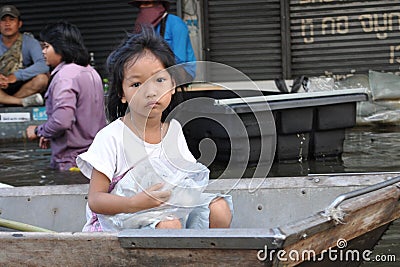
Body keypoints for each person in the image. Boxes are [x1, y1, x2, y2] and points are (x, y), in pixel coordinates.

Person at [76, 27, 232, 231]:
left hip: (164, 210)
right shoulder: (111, 137)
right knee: (169, 225)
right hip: (121, 218)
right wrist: (134, 203)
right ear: (122, 94)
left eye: (159, 80)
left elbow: (186, 181)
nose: (150, 92)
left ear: (173, 84)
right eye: (137, 84)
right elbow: (96, 200)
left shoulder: (173, 131)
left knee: (219, 208)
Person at [25, 21, 106, 171]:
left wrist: (38, 131)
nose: (43, 52)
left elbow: (62, 121)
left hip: (71, 160)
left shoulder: (65, 76)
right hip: (96, 157)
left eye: (47, 46)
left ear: (61, 48)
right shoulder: (91, 72)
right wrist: (50, 133)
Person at [129, 0, 196, 79]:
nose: (142, 7)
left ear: (159, 5)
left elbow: (180, 59)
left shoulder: (176, 23)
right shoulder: (144, 27)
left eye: (146, 3)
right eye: (140, 4)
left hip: (180, 71)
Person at [0, 4, 49, 107]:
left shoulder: (30, 42)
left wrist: (16, 76)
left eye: (11, 20)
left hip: (22, 86)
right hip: (1, 87)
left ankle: (7, 104)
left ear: (19, 24)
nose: (7, 24)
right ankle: (19, 102)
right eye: (3, 20)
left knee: (42, 79)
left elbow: (43, 65)